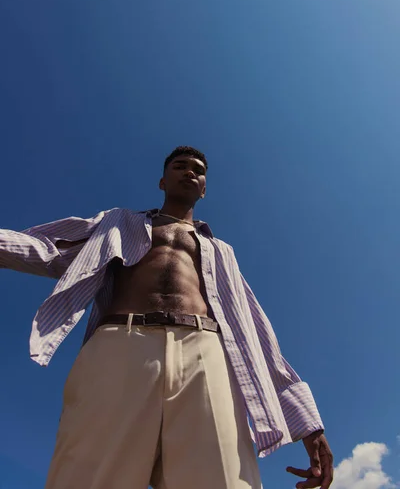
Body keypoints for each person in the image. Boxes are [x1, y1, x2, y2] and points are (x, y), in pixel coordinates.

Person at [0, 145, 333, 489]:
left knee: (222, 479)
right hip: (120, 345)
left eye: (198, 170)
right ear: (162, 181)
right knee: (89, 476)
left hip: (206, 354)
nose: (190, 172)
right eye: (180, 165)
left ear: (204, 187)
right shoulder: (118, 223)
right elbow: (49, 249)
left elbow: (255, 332)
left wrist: (308, 424)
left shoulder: (223, 253)